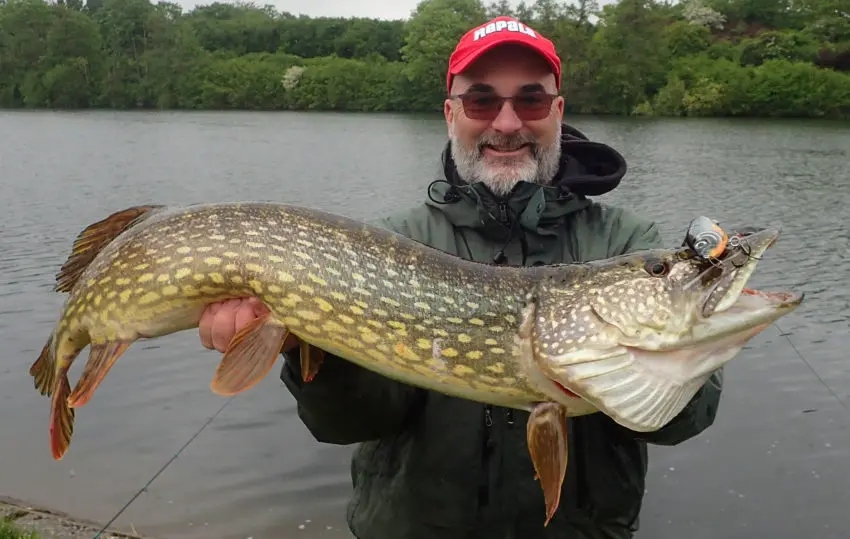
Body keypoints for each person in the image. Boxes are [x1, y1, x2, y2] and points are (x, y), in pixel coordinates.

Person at [198, 15, 724, 539]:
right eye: (481, 101)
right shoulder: (391, 245)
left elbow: (683, 421)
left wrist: (686, 336)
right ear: (451, 115)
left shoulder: (625, 243)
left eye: (531, 100)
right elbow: (347, 424)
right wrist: (299, 343)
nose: (507, 122)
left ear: (557, 112)